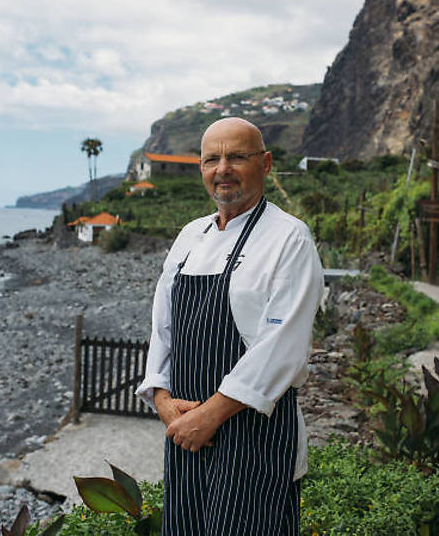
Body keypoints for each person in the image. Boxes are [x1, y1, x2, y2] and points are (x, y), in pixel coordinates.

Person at [136, 117, 323, 535]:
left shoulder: (289, 238)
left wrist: (210, 415)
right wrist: (164, 401)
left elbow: (283, 346)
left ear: (266, 163)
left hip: (253, 431)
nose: (222, 169)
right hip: (185, 430)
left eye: (237, 156)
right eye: (211, 159)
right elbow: (162, 326)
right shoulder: (189, 236)